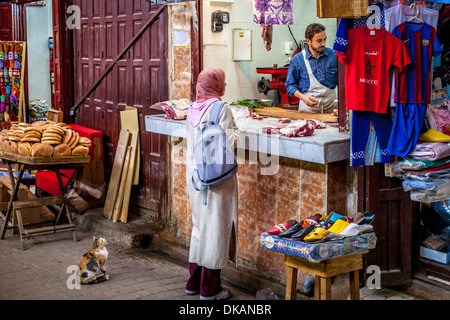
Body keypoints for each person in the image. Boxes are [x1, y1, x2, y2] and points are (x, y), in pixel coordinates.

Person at [184, 67, 238, 300]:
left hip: (196, 177)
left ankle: (193, 283)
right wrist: (238, 130)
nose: (224, 86)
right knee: (216, 230)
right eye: (222, 82)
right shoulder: (220, 108)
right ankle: (210, 290)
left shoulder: (192, 108)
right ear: (217, 85)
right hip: (216, 179)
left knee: (200, 229)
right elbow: (228, 142)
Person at [286, 23, 338, 113]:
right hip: (307, 110)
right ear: (308, 41)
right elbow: (290, 85)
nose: (323, 44)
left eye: (324, 40)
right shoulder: (297, 60)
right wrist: (303, 98)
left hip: (331, 110)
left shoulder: (334, 56)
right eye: (319, 41)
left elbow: (345, 80)